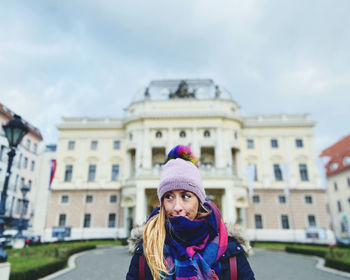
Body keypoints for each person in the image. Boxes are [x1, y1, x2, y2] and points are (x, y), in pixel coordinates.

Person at [126, 145, 255, 280]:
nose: (177, 207)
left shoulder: (231, 251)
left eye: (186, 196)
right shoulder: (146, 251)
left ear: (199, 201)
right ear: (162, 203)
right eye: (169, 196)